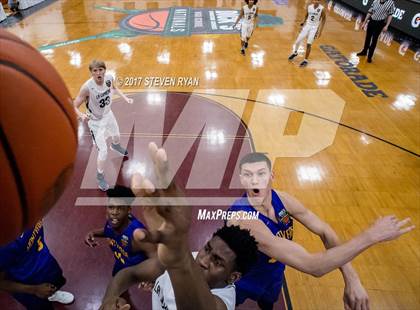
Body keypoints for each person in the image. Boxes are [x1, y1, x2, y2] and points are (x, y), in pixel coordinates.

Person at [228, 152, 415, 310]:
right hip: (241, 279)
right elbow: (312, 266)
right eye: (248, 175)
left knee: (268, 303)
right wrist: (372, 235)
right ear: (242, 179)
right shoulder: (242, 219)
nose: (255, 181)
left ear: (272, 176)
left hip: (274, 272)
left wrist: (351, 278)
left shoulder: (283, 199)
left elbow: (325, 231)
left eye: (261, 174)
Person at [100, 142, 259, 310]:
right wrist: (109, 299)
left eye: (217, 262)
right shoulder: (186, 257)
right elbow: (128, 274)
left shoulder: (223, 302)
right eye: (207, 249)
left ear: (233, 277)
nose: (203, 261)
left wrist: (179, 261)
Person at [73, 60, 133, 191]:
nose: (98, 73)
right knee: (103, 152)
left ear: (105, 70)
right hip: (95, 122)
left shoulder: (109, 78)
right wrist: (81, 115)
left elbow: (115, 88)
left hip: (108, 114)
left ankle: (115, 146)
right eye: (95, 71)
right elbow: (74, 105)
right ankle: (100, 176)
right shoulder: (87, 88)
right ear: (92, 73)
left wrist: (125, 98)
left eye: (101, 69)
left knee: (117, 135)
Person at [0, 220, 74, 309]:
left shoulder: (30, 211)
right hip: (29, 284)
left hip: (46, 264)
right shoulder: (3, 246)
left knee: (55, 283)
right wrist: (35, 290)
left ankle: (53, 295)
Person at [84, 185, 156, 277]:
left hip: (136, 271)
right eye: (111, 207)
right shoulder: (113, 221)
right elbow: (108, 231)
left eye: (120, 208)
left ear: (129, 210)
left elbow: (156, 258)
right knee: (117, 282)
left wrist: (151, 278)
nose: (114, 213)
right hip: (121, 263)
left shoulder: (137, 234)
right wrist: (93, 233)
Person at [288, 0, 326, 67]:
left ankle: (305, 60)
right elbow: (306, 16)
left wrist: (320, 31)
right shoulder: (309, 7)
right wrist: (302, 24)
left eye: (318, 0)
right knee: (297, 41)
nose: (316, 1)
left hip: (314, 28)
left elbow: (324, 19)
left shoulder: (322, 9)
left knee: (309, 44)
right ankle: (295, 52)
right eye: (315, 0)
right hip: (307, 26)